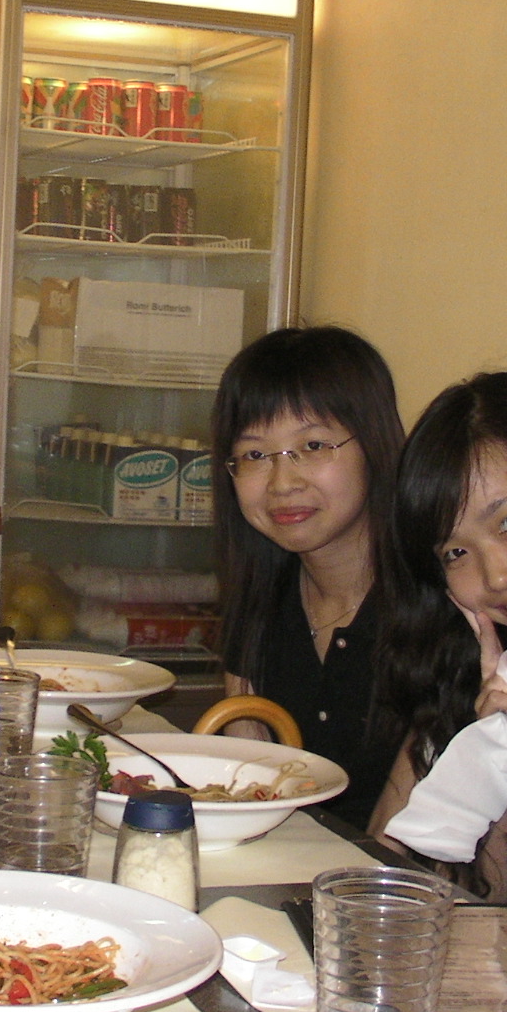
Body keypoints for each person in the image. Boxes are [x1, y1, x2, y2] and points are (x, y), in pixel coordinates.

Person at [367, 372, 507, 900]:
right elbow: (384, 879)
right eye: (456, 552)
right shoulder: (485, 671)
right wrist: (496, 746)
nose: (498, 575)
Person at [210, 325, 405, 830]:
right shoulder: (261, 594)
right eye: (255, 455)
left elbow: (401, 840)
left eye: (314, 445)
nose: (282, 482)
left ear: (375, 445)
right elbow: (247, 778)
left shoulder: (430, 608)